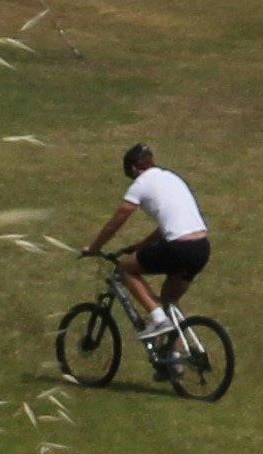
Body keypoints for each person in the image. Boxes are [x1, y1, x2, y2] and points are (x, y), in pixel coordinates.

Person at [90, 140, 211, 337]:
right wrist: (140, 246)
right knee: (169, 303)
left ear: (132, 168)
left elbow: (117, 221)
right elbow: (167, 227)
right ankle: (175, 358)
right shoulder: (171, 177)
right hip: (201, 248)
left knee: (125, 269)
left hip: (180, 247)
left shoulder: (141, 183)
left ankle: (157, 319)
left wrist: (94, 247)